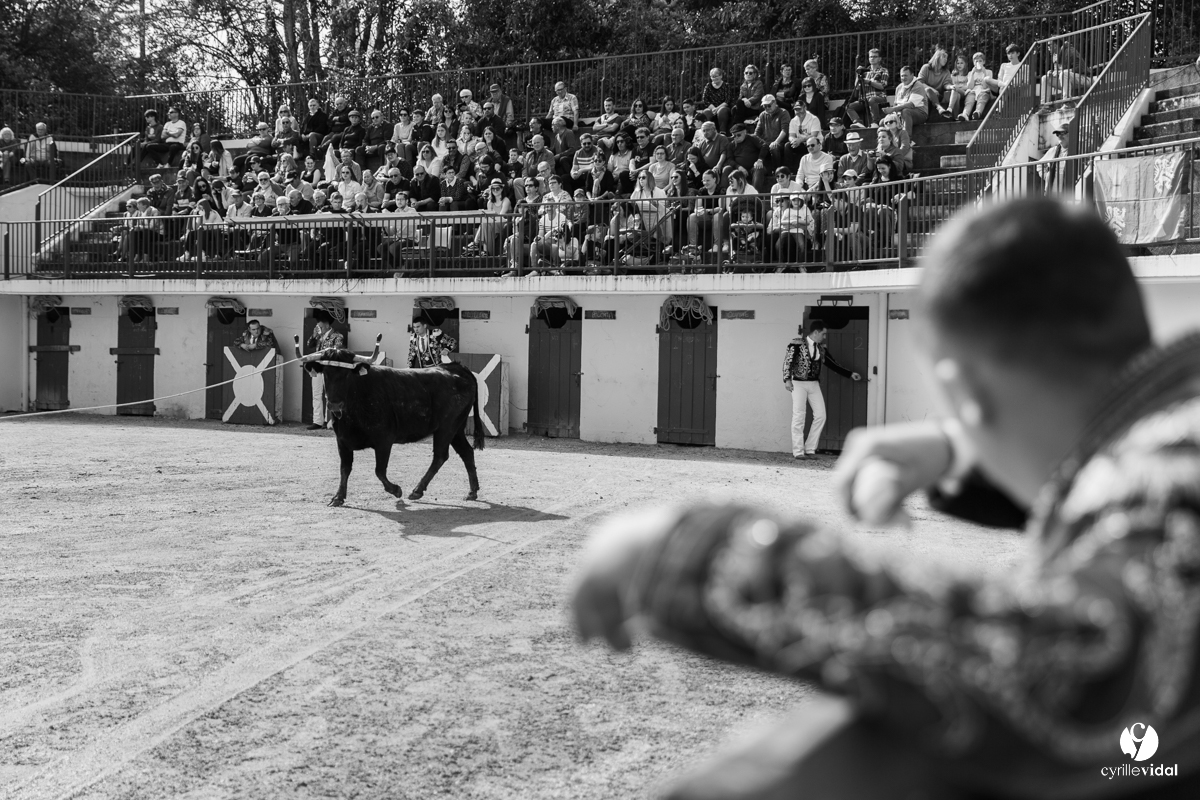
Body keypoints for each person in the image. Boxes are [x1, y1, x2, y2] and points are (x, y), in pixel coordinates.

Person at [571, 196, 1200, 800]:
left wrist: (683, 546)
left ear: (962, 389)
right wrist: (957, 450)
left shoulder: (1164, 489)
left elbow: (1073, 669)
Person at [307, 320, 345, 429]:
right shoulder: (318, 336)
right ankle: (317, 421)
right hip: (318, 367)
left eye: (320, 327)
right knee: (316, 393)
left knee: (329, 394)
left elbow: (337, 350)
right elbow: (309, 345)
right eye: (317, 327)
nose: (319, 329)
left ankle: (329, 421)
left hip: (330, 369)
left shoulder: (337, 336)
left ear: (327, 325)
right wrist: (314, 335)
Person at [846, 48, 889, 128]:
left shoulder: (883, 70)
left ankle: (875, 122)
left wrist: (869, 82)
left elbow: (882, 86)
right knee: (849, 106)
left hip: (879, 97)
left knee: (872, 100)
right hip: (865, 99)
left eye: (875, 56)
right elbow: (857, 87)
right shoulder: (864, 72)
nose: (872, 58)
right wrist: (858, 75)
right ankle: (858, 123)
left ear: (879, 59)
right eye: (870, 57)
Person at [1037, 124, 1070, 194]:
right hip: (1052, 186)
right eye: (1057, 134)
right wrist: (1046, 176)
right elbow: (1039, 164)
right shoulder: (1053, 150)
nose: (1060, 136)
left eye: (1062, 133)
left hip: (1068, 184)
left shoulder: (1076, 149)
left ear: (1070, 134)